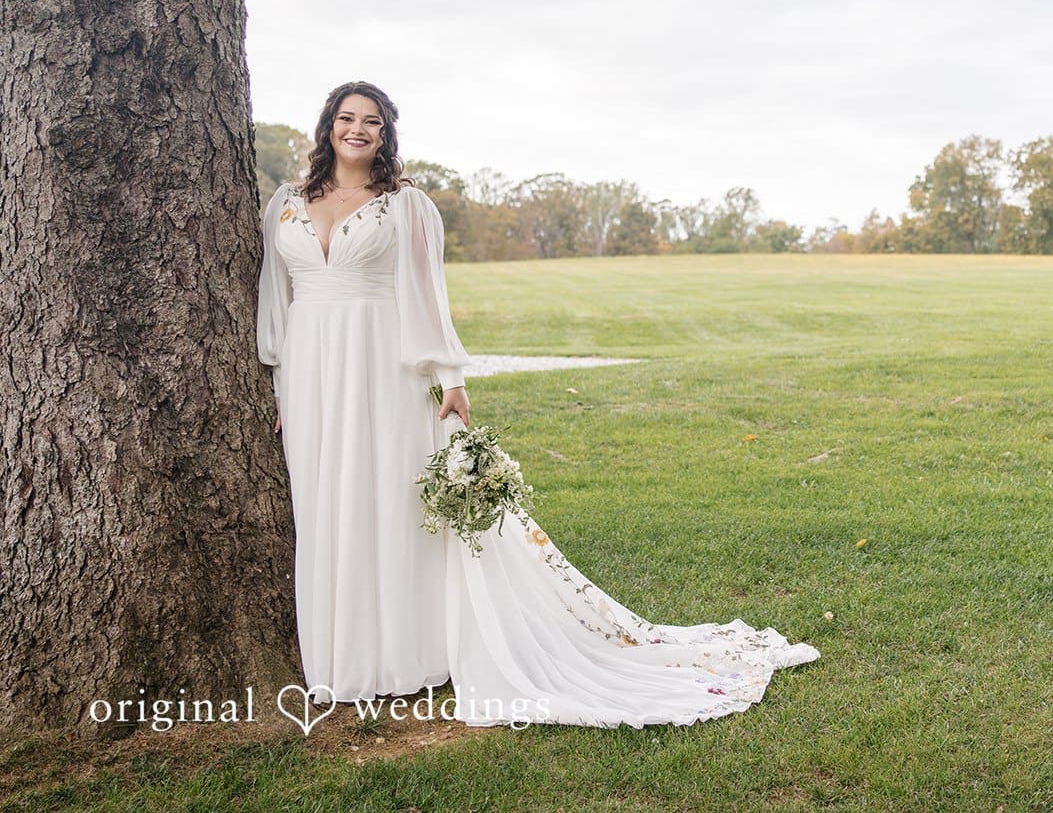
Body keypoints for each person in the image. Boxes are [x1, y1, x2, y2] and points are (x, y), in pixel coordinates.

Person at [257, 81, 818, 727]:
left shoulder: (404, 205)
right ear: (328, 124)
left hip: (383, 368)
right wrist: (276, 384)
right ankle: (340, 658)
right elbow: (278, 299)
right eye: (347, 118)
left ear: (385, 135)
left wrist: (451, 378)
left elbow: (425, 297)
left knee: (389, 504)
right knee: (325, 506)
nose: (357, 129)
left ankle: (401, 657)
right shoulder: (286, 204)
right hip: (309, 377)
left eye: (372, 122)